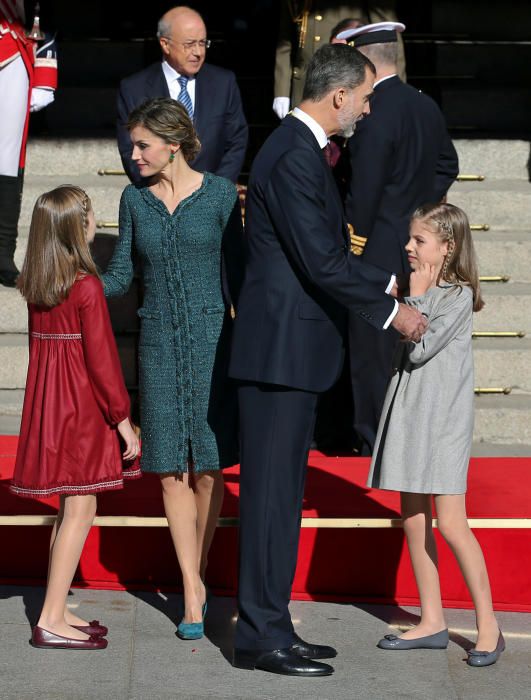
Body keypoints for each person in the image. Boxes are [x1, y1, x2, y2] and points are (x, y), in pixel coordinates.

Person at [229, 43, 427, 678]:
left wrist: (387, 286)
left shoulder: (300, 151)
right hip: (278, 354)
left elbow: (324, 253)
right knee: (268, 502)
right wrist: (390, 308)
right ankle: (260, 637)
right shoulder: (291, 153)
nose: (367, 111)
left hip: (293, 351)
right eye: (366, 99)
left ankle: (275, 624)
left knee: (281, 501)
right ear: (339, 95)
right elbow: (320, 258)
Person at [103, 97, 243, 641]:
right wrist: (75, 287)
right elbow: (120, 275)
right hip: (158, 341)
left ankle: (198, 573)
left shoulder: (219, 196)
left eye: (142, 145)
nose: (133, 154)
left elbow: (240, 272)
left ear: (173, 143)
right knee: (168, 468)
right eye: (132, 144)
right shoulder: (134, 200)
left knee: (208, 468)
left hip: (214, 341)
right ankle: (191, 587)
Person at [368, 203, 504, 668]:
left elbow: (422, 346)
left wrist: (417, 297)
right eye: (410, 239)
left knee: (450, 522)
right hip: (411, 413)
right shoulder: (419, 289)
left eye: (419, 240)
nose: (408, 247)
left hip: (442, 421)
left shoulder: (457, 296)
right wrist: (409, 296)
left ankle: (489, 626)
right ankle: (431, 619)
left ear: (447, 248)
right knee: (413, 515)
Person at [11, 185, 140, 650]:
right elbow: (103, 362)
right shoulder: (86, 286)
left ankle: (56, 605)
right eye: (90, 217)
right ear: (78, 227)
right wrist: (122, 419)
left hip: (51, 401)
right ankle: (49, 619)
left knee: (68, 509)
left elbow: (37, 353)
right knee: (81, 508)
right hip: (83, 407)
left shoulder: (37, 285)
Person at [341, 21, 459, 454]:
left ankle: (373, 439)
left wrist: (356, 242)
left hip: (375, 245)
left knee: (371, 350)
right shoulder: (424, 105)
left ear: (365, 59)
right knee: (409, 345)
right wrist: (422, 215)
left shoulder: (373, 112)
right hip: (419, 246)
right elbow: (448, 163)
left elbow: (365, 191)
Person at [117, 5, 248, 185]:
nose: (198, 52)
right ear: (165, 44)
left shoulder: (223, 83)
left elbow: (236, 141)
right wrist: (160, 193)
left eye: (202, 43)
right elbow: (129, 149)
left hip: (213, 197)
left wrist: (215, 193)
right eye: (189, 44)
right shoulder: (134, 88)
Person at [0, 1, 57, 286]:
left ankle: (2, 253)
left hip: (13, 45)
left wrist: (46, 75)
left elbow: (43, 11)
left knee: (8, 160)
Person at [273, 1, 405, 119]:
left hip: (347, 82)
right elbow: (285, 40)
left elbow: (389, 35)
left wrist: (394, 88)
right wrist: (282, 91)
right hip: (305, 84)